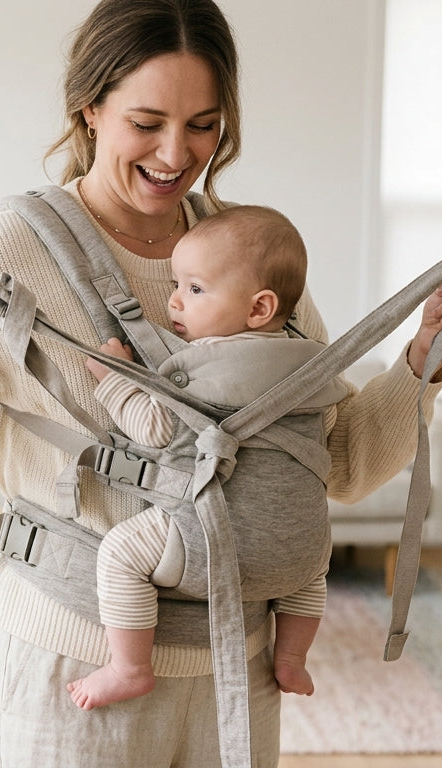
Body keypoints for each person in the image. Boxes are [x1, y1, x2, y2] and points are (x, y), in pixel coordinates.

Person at [0, 0, 442, 764]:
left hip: (238, 672)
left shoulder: (247, 258)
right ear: (90, 108)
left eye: (203, 125)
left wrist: (423, 361)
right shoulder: (13, 247)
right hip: (71, 666)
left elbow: (338, 466)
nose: (177, 153)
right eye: (147, 122)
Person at [69, 204, 326, 712]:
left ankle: (129, 667)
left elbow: (157, 429)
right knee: (310, 574)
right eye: (177, 284)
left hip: (212, 542)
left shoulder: (208, 369)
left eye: (195, 288)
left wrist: (116, 379)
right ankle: (292, 658)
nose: (174, 302)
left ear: (258, 308)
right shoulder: (313, 369)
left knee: (120, 553)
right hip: (301, 550)